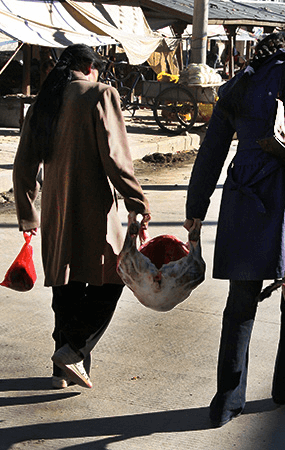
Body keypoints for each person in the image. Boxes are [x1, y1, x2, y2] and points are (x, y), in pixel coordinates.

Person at [184, 32, 285, 428]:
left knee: (239, 304)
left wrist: (196, 208)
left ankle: (226, 401)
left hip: (245, 199)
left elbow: (211, 151)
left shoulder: (237, 86)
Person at [13, 44, 151, 389]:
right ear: (91, 67)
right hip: (94, 209)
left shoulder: (44, 101)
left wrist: (29, 215)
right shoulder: (100, 93)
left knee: (68, 287)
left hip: (56, 209)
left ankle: (64, 370)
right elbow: (115, 157)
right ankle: (73, 350)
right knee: (114, 280)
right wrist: (137, 200)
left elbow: (23, 165)